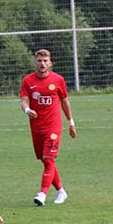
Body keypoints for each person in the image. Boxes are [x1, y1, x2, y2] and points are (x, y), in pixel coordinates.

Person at [19, 49, 77, 206]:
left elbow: (65, 102)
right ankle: (61, 191)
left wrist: (71, 123)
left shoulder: (58, 80)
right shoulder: (28, 81)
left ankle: (42, 193)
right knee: (46, 162)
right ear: (35, 62)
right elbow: (23, 100)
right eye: (39, 60)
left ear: (50, 63)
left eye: (45, 60)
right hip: (37, 128)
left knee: (49, 158)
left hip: (53, 127)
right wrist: (27, 110)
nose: (42, 63)